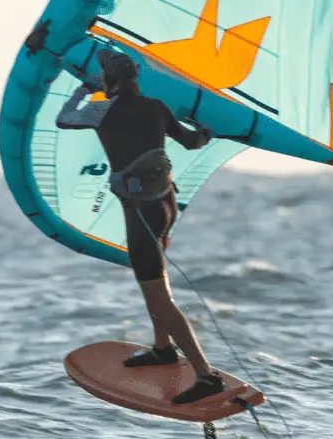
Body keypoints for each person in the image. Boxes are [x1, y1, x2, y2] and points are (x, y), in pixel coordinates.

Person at [57, 48, 226, 405]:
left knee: (158, 295)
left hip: (141, 214)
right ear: (136, 78)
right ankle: (163, 348)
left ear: (109, 81)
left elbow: (64, 118)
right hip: (165, 205)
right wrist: (207, 133)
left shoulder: (102, 110)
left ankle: (206, 375)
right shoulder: (156, 107)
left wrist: (83, 91)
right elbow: (192, 141)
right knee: (155, 282)